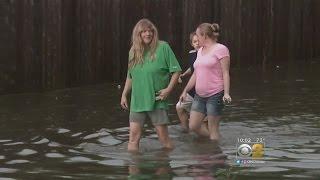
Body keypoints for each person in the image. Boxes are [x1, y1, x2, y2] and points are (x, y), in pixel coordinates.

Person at [120, 18, 181, 152]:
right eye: (144, 31)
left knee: (164, 140)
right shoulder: (133, 51)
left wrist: (168, 90)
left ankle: (166, 168)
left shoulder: (163, 47)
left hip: (157, 100)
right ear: (138, 34)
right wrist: (124, 94)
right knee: (133, 139)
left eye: (150, 31)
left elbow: (176, 71)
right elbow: (130, 76)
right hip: (137, 101)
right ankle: (134, 170)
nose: (148, 34)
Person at [179, 22, 231, 140]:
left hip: (215, 94)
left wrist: (226, 93)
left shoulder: (221, 49)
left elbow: (225, 72)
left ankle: (215, 154)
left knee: (213, 129)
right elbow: (196, 73)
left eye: (198, 35)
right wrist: (185, 91)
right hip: (200, 95)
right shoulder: (200, 51)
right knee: (193, 126)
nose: (196, 38)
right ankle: (213, 145)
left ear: (204, 36)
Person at [176, 32, 200, 132]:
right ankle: (185, 130)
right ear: (192, 44)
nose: (197, 43)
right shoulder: (192, 54)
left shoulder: (207, 54)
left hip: (203, 92)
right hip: (192, 90)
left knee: (202, 123)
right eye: (195, 42)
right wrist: (184, 74)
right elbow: (192, 68)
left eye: (199, 41)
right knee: (179, 106)